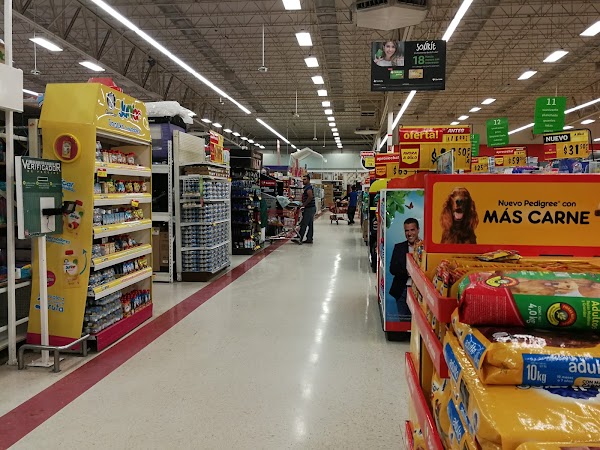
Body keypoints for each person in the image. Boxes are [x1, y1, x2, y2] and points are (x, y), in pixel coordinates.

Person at [389, 218, 420, 318]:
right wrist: (409, 272)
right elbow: (392, 269)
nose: (409, 233)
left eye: (412, 230)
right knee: (403, 320)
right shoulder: (399, 248)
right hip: (402, 290)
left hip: (420, 292)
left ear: (418, 230)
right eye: (407, 230)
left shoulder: (425, 248)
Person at [295, 174, 316, 244]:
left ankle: (299, 238)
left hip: (309, 208)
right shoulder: (307, 187)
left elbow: (310, 196)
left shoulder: (308, 187)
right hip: (311, 208)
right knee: (310, 224)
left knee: (304, 223)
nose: (303, 181)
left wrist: (304, 205)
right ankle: (309, 238)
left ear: (308, 180)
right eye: (303, 179)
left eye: (305, 179)